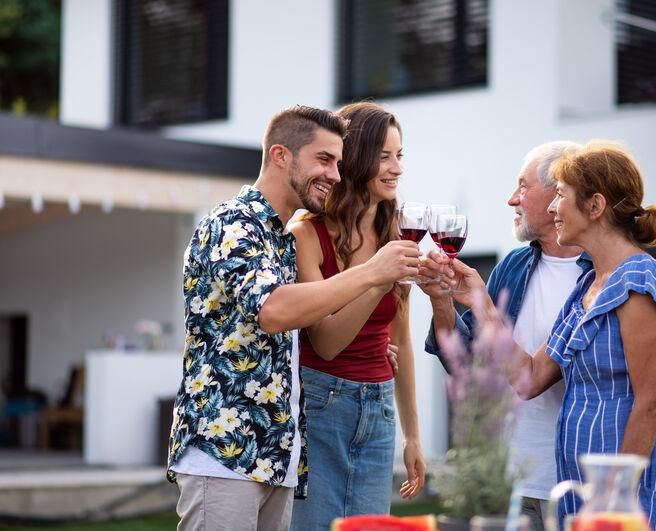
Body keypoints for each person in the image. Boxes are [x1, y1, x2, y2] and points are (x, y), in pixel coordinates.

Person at [166, 105, 421, 531]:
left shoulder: (281, 237)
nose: (336, 175)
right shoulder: (233, 223)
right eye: (324, 160)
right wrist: (373, 273)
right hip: (224, 450)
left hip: (278, 451)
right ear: (281, 155)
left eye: (339, 163)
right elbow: (273, 310)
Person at [449, 140, 656, 530]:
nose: (552, 208)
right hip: (582, 492)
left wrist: (611, 500)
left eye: (561, 196)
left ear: (595, 206)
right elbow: (529, 378)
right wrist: (478, 300)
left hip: (624, 497)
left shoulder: (638, 281)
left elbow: (651, 404)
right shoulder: (587, 287)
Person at [420, 141, 584, 531]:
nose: (512, 199)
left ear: (559, 194)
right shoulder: (514, 265)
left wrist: (482, 304)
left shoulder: (599, 276)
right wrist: (442, 301)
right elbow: (468, 362)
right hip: (512, 477)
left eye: (523, 187)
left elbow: (532, 378)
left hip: (574, 481)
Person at [289, 102, 426, 530]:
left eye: (400, 155)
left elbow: (400, 339)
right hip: (322, 406)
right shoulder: (306, 234)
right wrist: (378, 279)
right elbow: (326, 343)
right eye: (384, 156)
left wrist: (413, 434)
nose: (396, 167)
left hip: (380, 407)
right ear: (356, 158)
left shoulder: (396, 231)